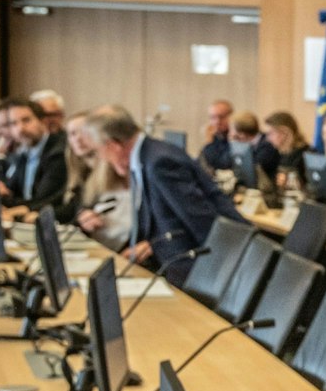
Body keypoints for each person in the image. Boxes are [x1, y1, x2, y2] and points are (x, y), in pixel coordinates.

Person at [84, 105, 240, 284]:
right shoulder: (147, 156)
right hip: (177, 265)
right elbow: (167, 217)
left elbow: (201, 221)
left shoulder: (159, 162)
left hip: (196, 272)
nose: (101, 158)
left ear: (113, 146)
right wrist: (150, 244)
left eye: (97, 151)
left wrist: (227, 277)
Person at [0, 98, 70, 215]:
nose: (20, 129)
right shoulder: (23, 153)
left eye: (26, 120)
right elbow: (11, 192)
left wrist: (11, 206)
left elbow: (44, 201)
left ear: (42, 121)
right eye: (14, 123)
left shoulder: (57, 153)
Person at [63, 110, 130, 251]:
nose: (78, 139)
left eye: (83, 132)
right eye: (72, 134)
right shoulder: (80, 170)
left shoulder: (115, 169)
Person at [228, 110, 281, 183]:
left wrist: (234, 143)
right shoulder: (247, 145)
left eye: (231, 130)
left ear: (242, 134)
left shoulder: (268, 145)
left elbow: (252, 170)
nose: (230, 133)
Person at [262, 111, 309, 189]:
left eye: (270, 133)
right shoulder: (277, 154)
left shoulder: (306, 155)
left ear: (284, 132)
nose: (267, 139)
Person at [198, 98, 235, 173]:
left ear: (231, 117)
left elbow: (223, 164)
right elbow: (201, 162)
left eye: (221, 117)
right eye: (213, 117)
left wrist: (209, 142)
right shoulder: (216, 136)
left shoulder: (235, 137)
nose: (217, 121)